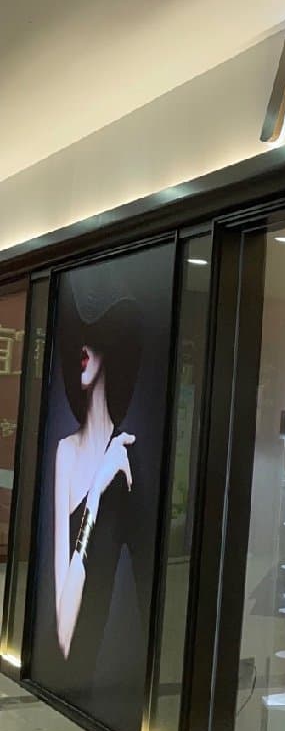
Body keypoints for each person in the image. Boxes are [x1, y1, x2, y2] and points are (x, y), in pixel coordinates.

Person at [52, 273, 142, 663]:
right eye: (79, 336)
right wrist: (94, 494)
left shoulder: (129, 459)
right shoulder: (66, 452)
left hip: (96, 679)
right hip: (69, 673)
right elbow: (63, 632)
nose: (83, 347)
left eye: (97, 336)